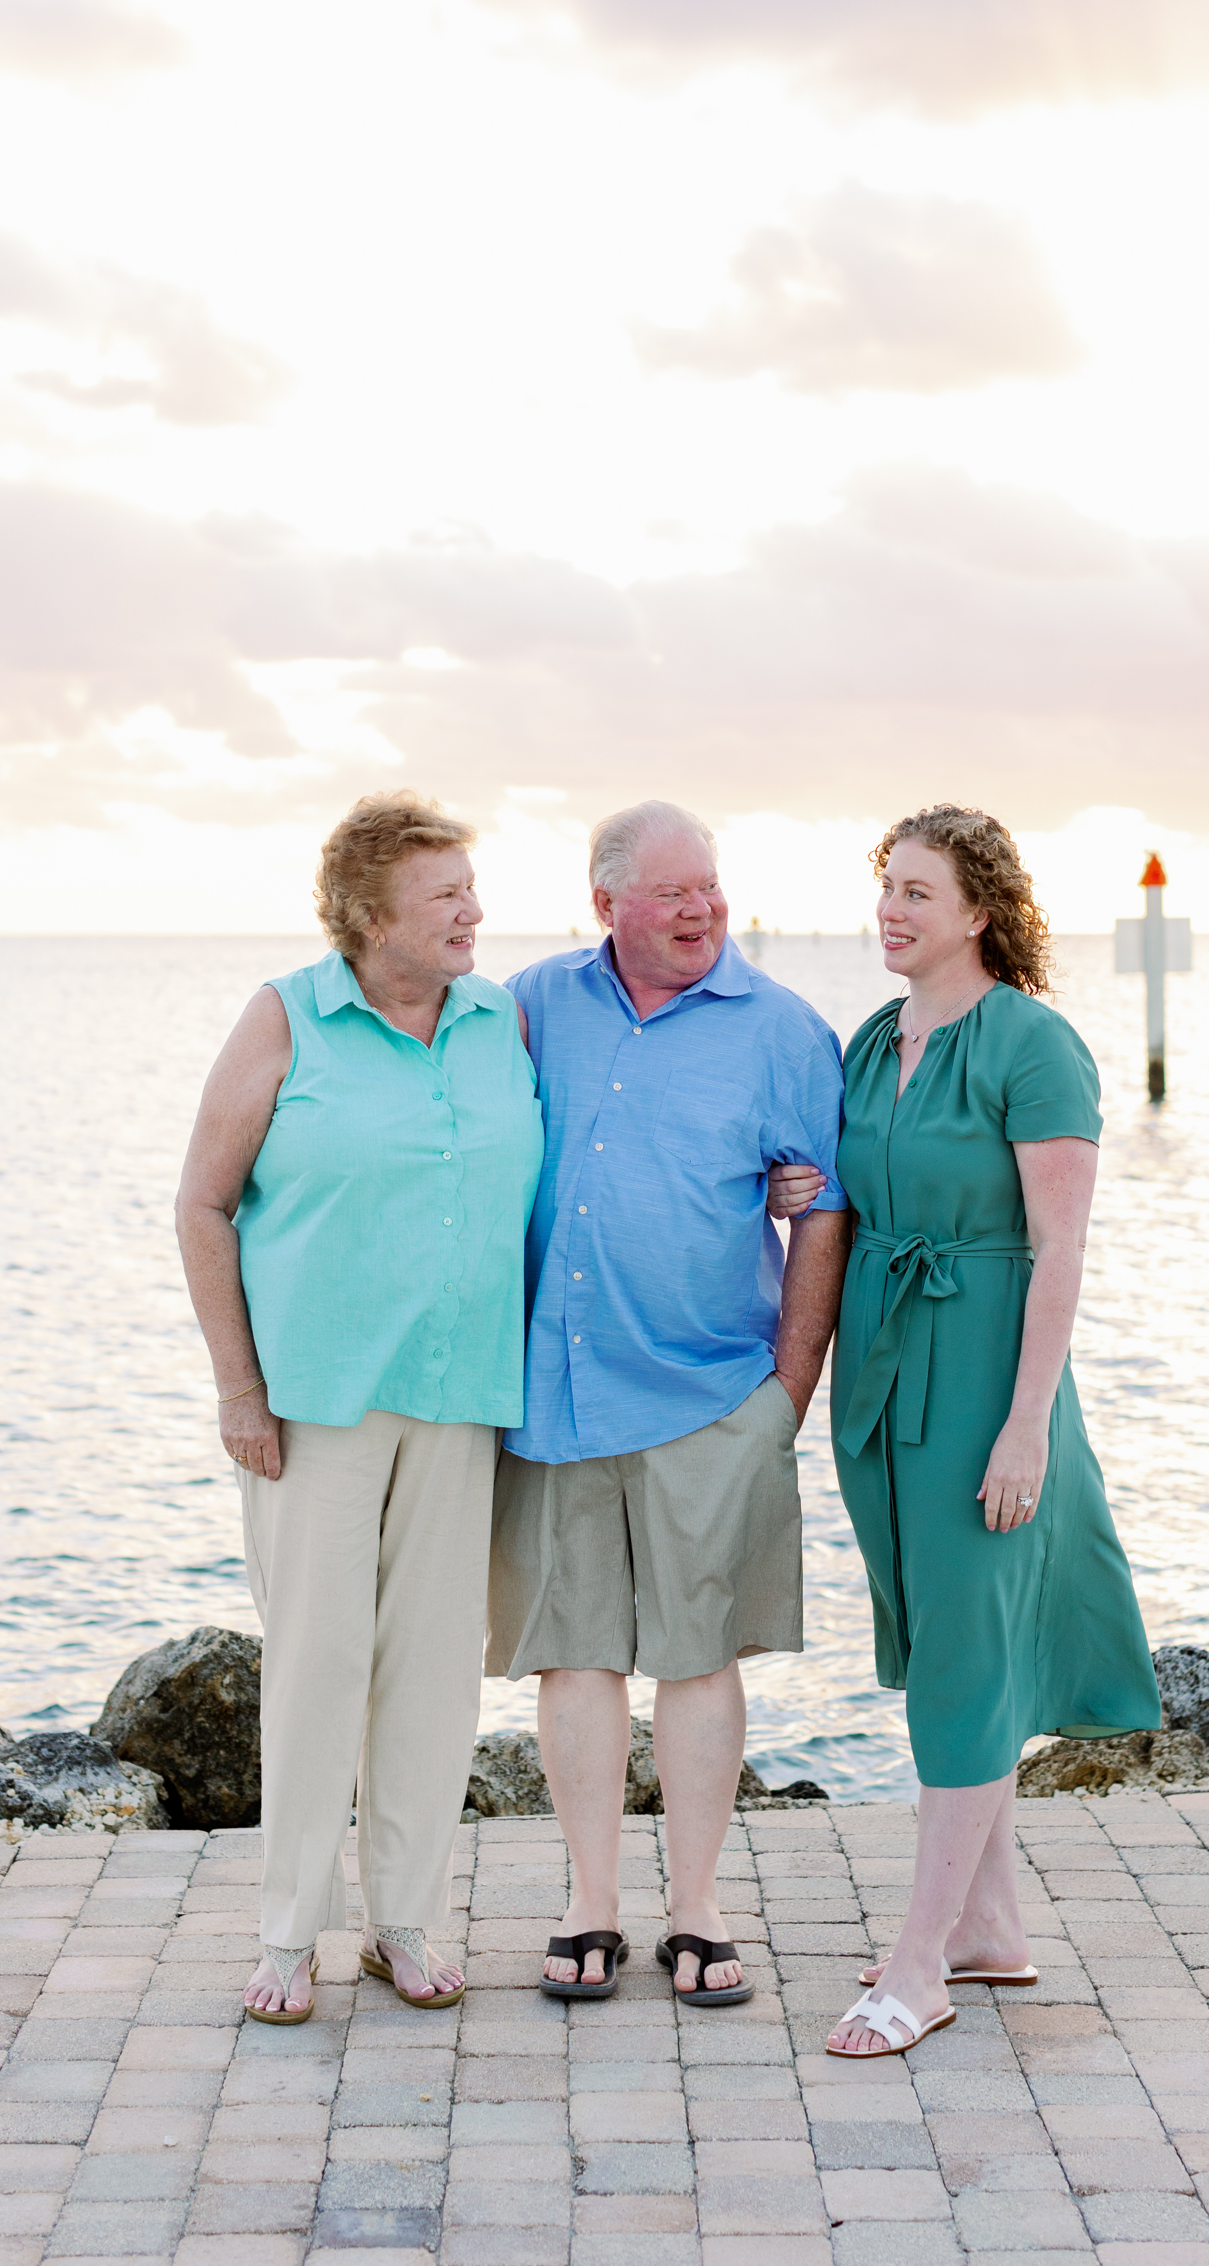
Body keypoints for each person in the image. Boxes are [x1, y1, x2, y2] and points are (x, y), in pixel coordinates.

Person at [784, 804, 1158, 2059]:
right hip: (883, 1374)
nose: (890, 911)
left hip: (987, 1375)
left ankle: (918, 1964)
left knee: (966, 1658)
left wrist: (1025, 1429)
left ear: (980, 911)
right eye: (884, 887)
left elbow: (1060, 1249)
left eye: (917, 893)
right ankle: (989, 1927)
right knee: (940, 1639)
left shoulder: (1034, 1045)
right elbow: (848, 1187)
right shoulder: (875, 1037)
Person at [175, 792, 543, 2024]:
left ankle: (403, 1921)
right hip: (315, 1402)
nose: (471, 915)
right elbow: (203, 1204)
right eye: (445, 897)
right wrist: (238, 1386)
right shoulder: (288, 1016)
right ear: (367, 915)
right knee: (318, 1666)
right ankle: (288, 1933)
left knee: (434, 1672)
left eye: (471, 892)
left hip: (460, 1394)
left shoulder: (502, 1021)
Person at [486, 801, 853, 2006]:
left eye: (709, 886)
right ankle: (590, 1902)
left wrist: (786, 1390)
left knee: (699, 1659)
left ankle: (696, 1908)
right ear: (605, 907)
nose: (700, 908)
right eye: (670, 893)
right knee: (575, 1657)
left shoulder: (784, 1031)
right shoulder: (532, 1004)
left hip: (711, 1391)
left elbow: (824, 1209)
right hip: (558, 1389)